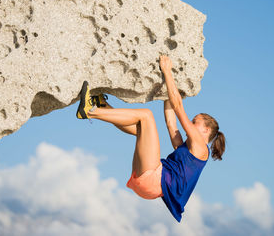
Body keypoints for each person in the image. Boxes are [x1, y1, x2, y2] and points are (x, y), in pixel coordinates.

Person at [76, 55, 226, 222]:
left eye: (194, 122)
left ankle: (89, 111)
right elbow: (171, 124)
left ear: (206, 130)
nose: (190, 123)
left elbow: (178, 107)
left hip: (155, 179)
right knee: (141, 129)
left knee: (146, 116)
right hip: (148, 185)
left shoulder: (200, 146)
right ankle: (101, 104)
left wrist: (168, 72)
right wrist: (167, 92)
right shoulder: (188, 151)